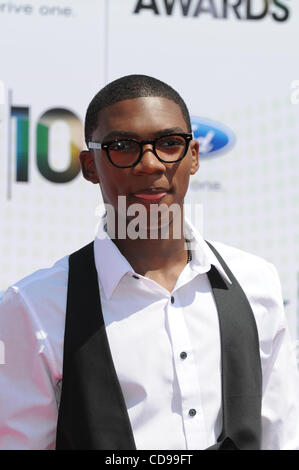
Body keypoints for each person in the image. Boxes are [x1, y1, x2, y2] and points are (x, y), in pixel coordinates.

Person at [0, 74, 298, 450]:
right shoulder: (34, 307)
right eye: (122, 146)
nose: (150, 163)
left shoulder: (256, 282)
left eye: (169, 143)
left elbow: (282, 436)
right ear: (90, 166)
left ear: (193, 157)